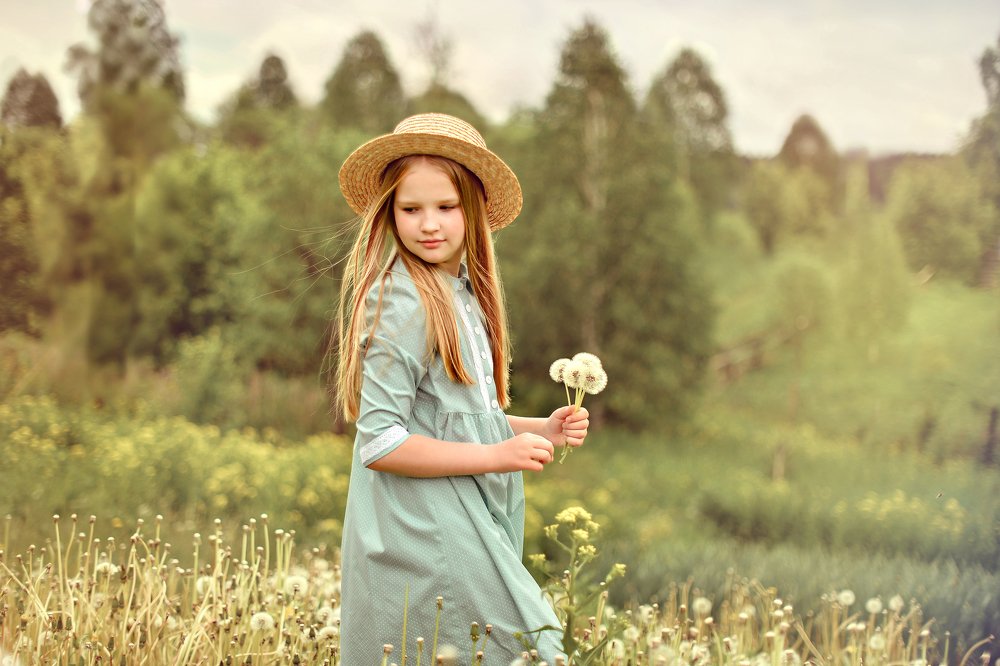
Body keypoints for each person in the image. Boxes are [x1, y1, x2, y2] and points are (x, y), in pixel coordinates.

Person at [332, 113, 590, 663]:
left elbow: (457, 414)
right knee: (532, 647)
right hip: (423, 525)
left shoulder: (463, 294)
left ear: (471, 211)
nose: (429, 224)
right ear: (389, 213)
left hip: (461, 510)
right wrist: (498, 454)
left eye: (445, 207)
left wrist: (538, 428)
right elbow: (380, 442)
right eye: (411, 209)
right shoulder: (400, 299)